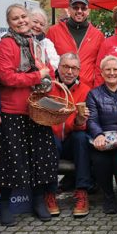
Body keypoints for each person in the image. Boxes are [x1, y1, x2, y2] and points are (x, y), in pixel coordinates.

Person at [0, 3, 59, 224]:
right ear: (9, 23)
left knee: (41, 158)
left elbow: (47, 70)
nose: (21, 21)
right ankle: (5, 204)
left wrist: (47, 80)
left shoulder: (36, 44)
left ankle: (38, 201)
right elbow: (7, 78)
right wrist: (37, 77)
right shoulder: (5, 46)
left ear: (30, 19)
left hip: (37, 110)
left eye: (23, 17)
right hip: (13, 111)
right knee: (11, 160)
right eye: (15, 19)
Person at [86, 56, 117, 213]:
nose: (112, 73)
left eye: (115, 69)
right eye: (108, 69)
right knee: (100, 160)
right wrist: (98, 135)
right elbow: (92, 120)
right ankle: (108, 196)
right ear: (101, 72)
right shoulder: (93, 95)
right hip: (101, 137)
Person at [47, 53, 92, 218]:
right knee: (49, 140)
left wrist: (80, 120)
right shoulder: (49, 87)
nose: (69, 71)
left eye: (74, 68)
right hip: (53, 138)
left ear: (79, 71)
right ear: (59, 68)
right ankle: (50, 193)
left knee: (81, 138)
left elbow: (84, 127)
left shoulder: (85, 90)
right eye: (66, 67)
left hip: (71, 141)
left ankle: (81, 192)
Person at [46, 0, 105, 88]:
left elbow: (100, 67)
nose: (79, 11)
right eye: (75, 7)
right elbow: (47, 61)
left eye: (83, 8)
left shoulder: (98, 35)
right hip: (60, 88)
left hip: (87, 89)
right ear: (69, 9)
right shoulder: (54, 31)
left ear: (88, 11)